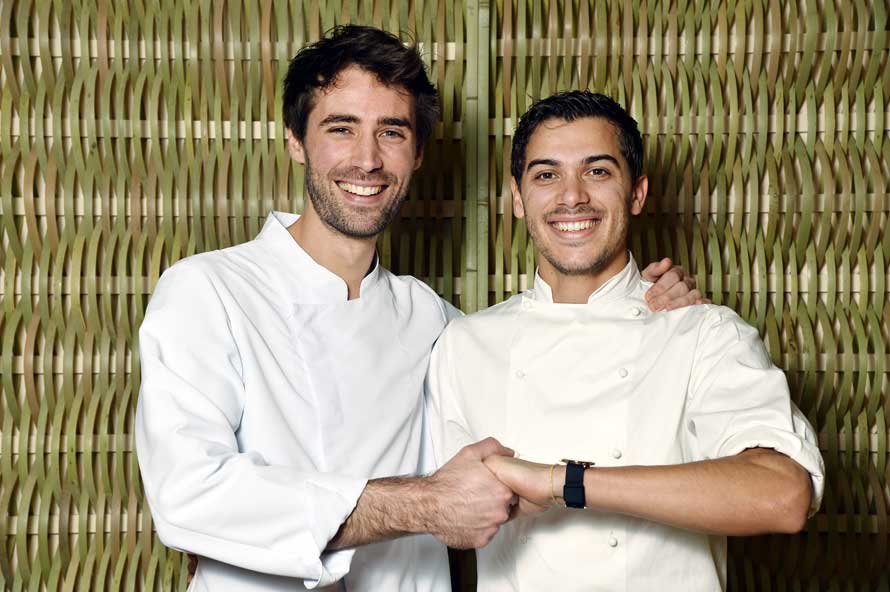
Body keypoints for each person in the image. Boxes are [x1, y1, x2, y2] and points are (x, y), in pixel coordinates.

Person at [135, 27, 704, 592]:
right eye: (341, 129)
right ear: (295, 140)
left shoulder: (437, 323)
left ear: (418, 153)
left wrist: (644, 306)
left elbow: (551, 396)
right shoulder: (207, 292)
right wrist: (423, 506)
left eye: (392, 132)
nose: (367, 160)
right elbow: (189, 495)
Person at [426, 91, 825, 591]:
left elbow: (782, 496)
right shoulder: (464, 344)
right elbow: (447, 515)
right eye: (546, 174)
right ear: (517, 196)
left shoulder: (702, 331)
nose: (572, 196)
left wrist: (561, 483)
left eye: (597, 171)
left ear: (636, 193)